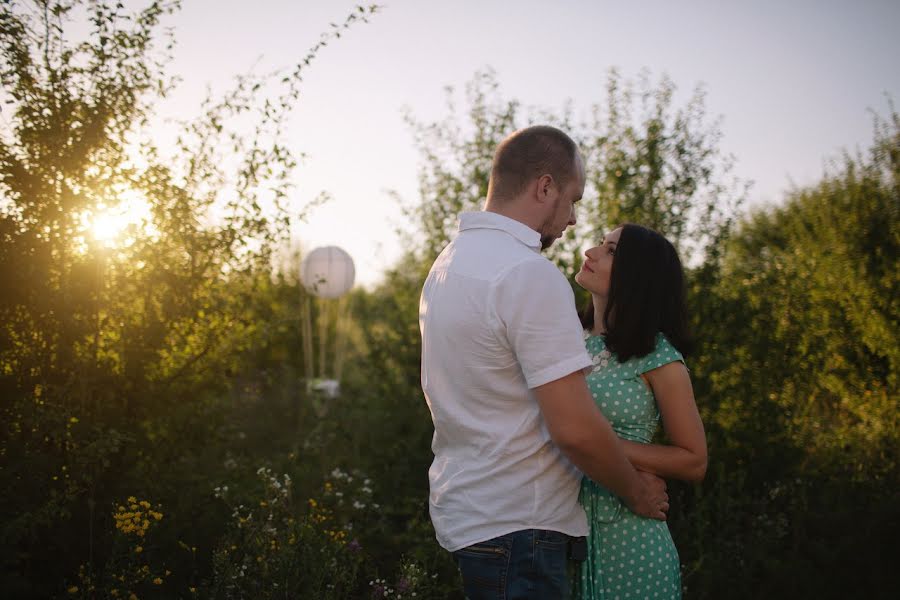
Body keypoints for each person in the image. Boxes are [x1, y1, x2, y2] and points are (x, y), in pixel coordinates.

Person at [419, 125, 669, 600]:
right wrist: (636, 492)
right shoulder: (529, 274)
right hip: (521, 529)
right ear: (545, 186)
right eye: (573, 199)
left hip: (473, 516)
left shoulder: (448, 263)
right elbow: (573, 428)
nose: (573, 219)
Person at [572, 224, 708, 600]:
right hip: (558, 539)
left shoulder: (658, 356)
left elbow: (694, 461)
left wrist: (599, 445)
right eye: (600, 244)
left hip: (632, 543)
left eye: (611, 251)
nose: (591, 253)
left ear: (638, 275)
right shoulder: (564, 339)